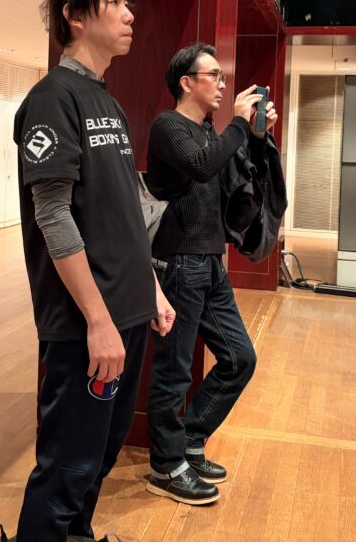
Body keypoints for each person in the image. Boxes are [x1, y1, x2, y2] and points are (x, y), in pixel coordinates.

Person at [10, 0, 176, 542]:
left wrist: (150, 288)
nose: (131, 15)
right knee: (67, 466)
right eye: (116, 3)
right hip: (85, 324)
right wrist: (99, 320)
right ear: (76, 15)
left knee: (100, 455)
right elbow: (53, 215)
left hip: (125, 311)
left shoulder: (106, 100)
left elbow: (123, 210)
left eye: (128, 4)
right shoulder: (52, 99)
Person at [144, 43, 278, 505]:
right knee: (174, 371)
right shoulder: (168, 126)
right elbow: (201, 168)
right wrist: (238, 124)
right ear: (187, 82)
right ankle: (165, 466)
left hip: (210, 263)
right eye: (214, 76)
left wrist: (256, 137)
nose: (222, 84)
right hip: (177, 263)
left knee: (240, 359)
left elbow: (230, 178)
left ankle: (189, 440)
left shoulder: (207, 131)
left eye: (222, 77)